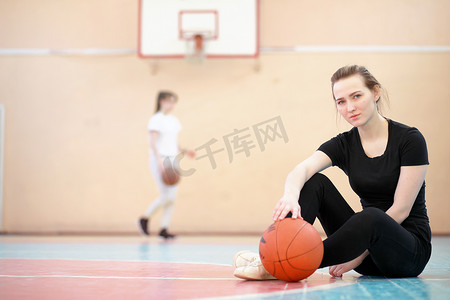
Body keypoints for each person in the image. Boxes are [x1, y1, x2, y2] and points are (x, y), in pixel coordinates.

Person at [233, 65, 431, 279]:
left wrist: (358, 255)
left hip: (406, 253)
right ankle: (278, 255)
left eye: (356, 96)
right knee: (313, 182)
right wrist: (290, 195)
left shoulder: (410, 140)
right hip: (364, 250)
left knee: (372, 216)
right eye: (341, 102)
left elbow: (401, 210)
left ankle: (276, 263)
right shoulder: (344, 144)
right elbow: (302, 169)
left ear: (375, 93)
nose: (350, 107)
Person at [138, 91, 195, 239]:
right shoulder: (155, 119)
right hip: (160, 159)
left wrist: (184, 151)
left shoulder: (174, 120)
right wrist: (159, 162)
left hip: (173, 159)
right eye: (170, 101)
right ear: (162, 101)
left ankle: (164, 228)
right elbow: (153, 142)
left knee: (172, 197)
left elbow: (172, 142)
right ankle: (145, 218)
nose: (172, 105)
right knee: (166, 196)